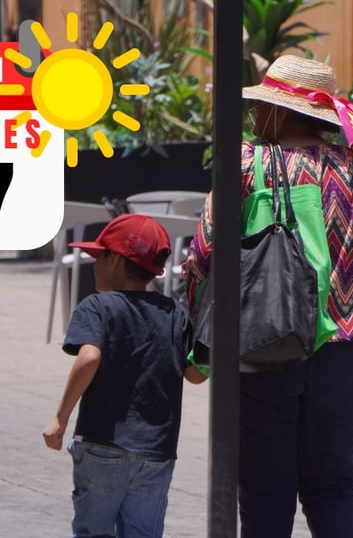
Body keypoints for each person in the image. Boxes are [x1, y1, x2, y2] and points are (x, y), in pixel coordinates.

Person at [183, 54, 353, 537]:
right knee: (334, 484)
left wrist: (196, 343)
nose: (253, 117)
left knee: (266, 490)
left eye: (259, 107)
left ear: (281, 113)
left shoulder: (250, 163)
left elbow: (204, 252)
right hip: (348, 355)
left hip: (269, 345)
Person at [42, 213, 207, 538]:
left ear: (116, 260)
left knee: (93, 531)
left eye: (97, 256)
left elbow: (89, 357)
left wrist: (60, 418)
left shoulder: (97, 307)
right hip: (156, 451)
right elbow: (194, 375)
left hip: (103, 445)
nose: (92, 263)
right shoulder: (174, 312)